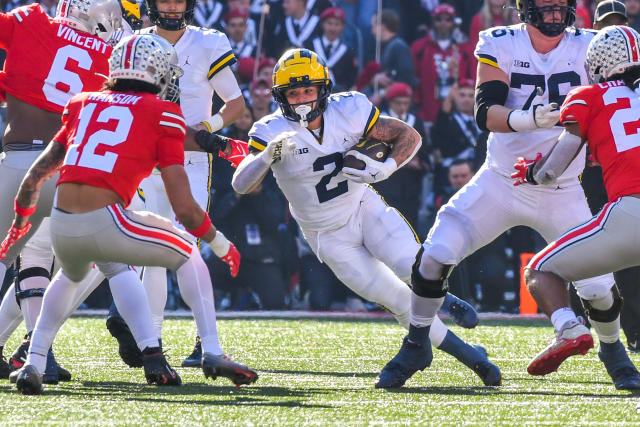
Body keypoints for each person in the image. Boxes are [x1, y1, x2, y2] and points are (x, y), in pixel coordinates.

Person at [377, 0, 636, 391]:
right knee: (433, 256)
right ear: (524, 8)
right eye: (545, 6)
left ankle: (614, 352)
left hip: (562, 187)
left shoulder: (590, 44)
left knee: (599, 288)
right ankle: (416, 343)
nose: (554, 14)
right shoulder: (501, 42)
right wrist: (531, 119)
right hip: (501, 180)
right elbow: (485, 111)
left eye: (560, 5)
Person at [1, 34, 258, 395]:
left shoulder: (82, 102)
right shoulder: (163, 111)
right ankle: (211, 351)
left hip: (61, 222)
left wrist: (19, 225)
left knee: (78, 274)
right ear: (161, 73)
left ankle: (35, 361)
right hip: (106, 219)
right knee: (185, 251)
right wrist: (219, 243)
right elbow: (184, 206)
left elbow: (35, 176)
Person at [232, 48, 500, 387]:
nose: (301, 100)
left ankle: (444, 302)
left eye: (308, 90)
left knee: (411, 266)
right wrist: (265, 157)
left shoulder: (350, 109)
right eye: (293, 92)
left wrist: (386, 168)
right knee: (397, 299)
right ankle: (472, 356)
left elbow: (409, 135)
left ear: (322, 89)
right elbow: (241, 184)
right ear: (281, 96)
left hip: (363, 206)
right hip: (325, 234)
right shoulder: (270, 131)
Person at [105, 0, 248, 370]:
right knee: (150, 253)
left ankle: (205, 344)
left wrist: (208, 128)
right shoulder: (135, 40)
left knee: (184, 247)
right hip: (145, 157)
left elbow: (235, 103)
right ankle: (152, 341)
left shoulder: (207, 42)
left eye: (178, 0)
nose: (171, 6)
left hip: (190, 158)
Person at [0, 0, 123, 382]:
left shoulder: (33, 20)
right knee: (115, 264)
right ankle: (151, 348)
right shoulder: (114, 52)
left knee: (15, 256)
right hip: (76, 168)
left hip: (21, 154)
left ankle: (38, 351)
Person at [516, 24, 640, 390]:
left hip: (631, 212)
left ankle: (569, 328)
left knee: (539, 270)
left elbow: (555, 168)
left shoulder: (589, 96)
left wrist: (533, 173)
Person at [579, 0, 640, 354]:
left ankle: (630, 328)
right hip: (592, 169)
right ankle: (580, 322)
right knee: (590, 246)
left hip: (618, 168)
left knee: (623, 255)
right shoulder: (578, 52)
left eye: (619, 23)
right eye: (607, 23)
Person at [304, 7, 357, 92]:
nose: (333, 28)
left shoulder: (347, 52)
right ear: (322, 24)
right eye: (329, 23)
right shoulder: (310, 46)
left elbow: (350, 80)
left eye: (337, 24)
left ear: (343, 27)